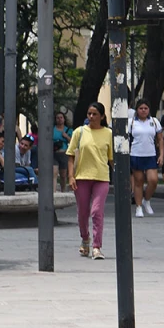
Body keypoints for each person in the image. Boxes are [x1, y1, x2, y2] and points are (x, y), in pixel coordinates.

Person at [67, 102, 114, 260]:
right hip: (82, 177)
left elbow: (111, 158)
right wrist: (71, 176)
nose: (91, 117)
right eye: (89, 114)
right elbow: (71, 156)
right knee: (83, 212)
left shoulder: (108, 133)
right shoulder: (79, 132)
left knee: (96, 212)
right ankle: (85, 238)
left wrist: (123, 178)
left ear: (102, 116)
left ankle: (97, 247)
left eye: (95, 114)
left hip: (101, 177)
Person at [128, 99, 163, 218]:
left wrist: (161, 155)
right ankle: (138, 207)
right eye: (141, 108)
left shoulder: (154, 121)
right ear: (137, 110)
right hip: (136, 154)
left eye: (145, 108)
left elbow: (160, 139)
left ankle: (146, 200)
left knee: (153, 180)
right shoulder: (131, 122)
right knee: (138, 181)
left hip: (150, 155)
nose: (143, 111)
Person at [52, 112, 73, 192]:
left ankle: (63, 190)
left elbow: (72, 142)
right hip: (54, 153)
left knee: (63, 175)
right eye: (58, 118)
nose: (59, 119)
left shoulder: (68, 130)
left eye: (61, 117)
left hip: (64, 153)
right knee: (54, 172)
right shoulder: (52, 129)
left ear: (64, 119)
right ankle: (53, 191)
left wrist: (66, 136)